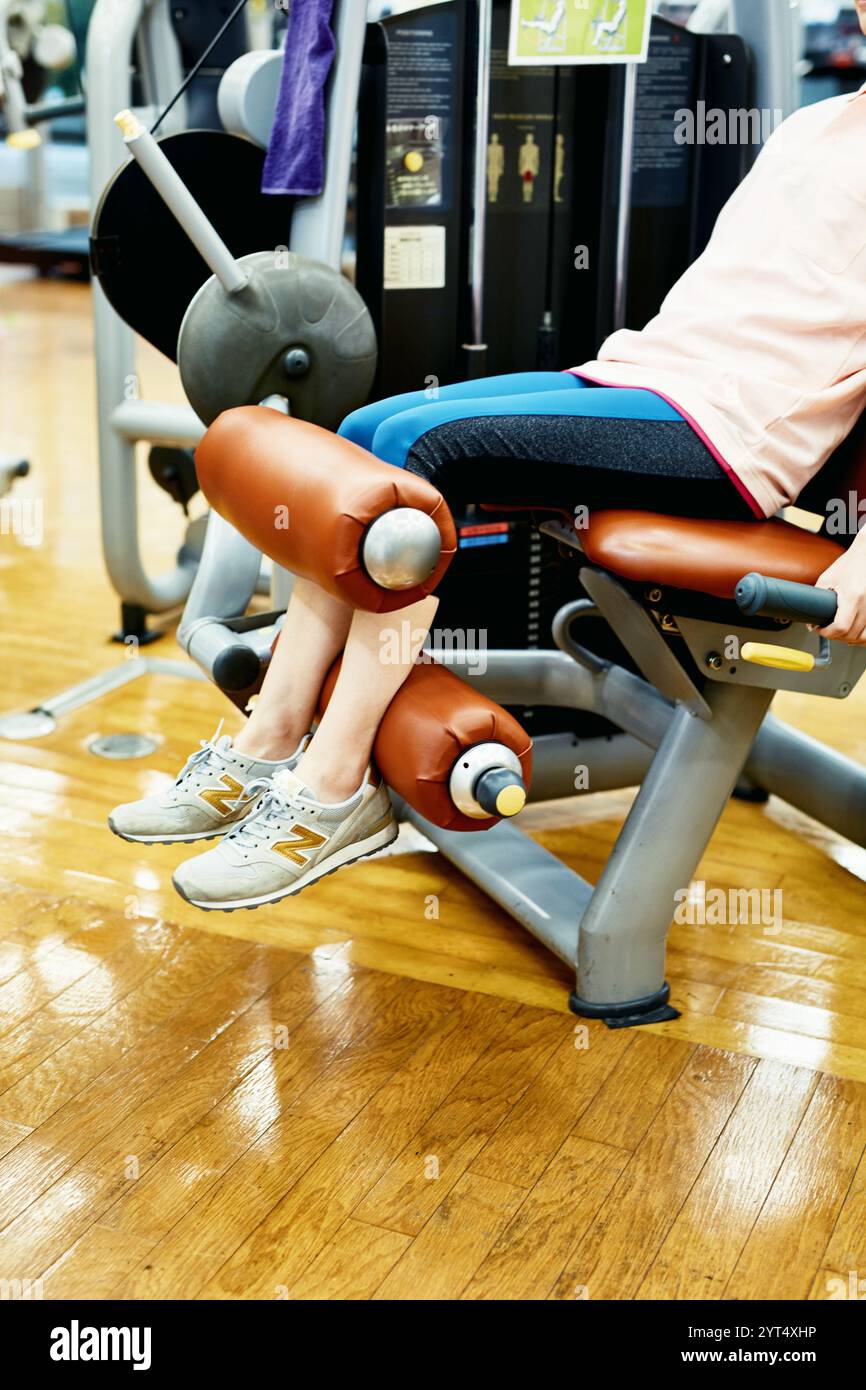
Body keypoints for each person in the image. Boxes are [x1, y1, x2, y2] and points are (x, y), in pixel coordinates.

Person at [110, 12, 866, 910]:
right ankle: (269, 739)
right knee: (369, 430)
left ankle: (335, 788)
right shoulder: (816, 126)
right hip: (649, 377)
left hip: (735, 432)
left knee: (424, 457)